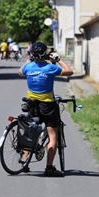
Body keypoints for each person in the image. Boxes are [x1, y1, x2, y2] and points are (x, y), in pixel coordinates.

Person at [18, 41, 73, 177]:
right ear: (45, 53)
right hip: (47, 105)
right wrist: (58, 60)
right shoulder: (50, 68)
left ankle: (24, 161)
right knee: (53, 136)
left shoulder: (29, 67)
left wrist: (30, 60)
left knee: (32, 132)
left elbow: (20, 71)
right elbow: (69, 72)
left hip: (32, 104)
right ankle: (49, 168)